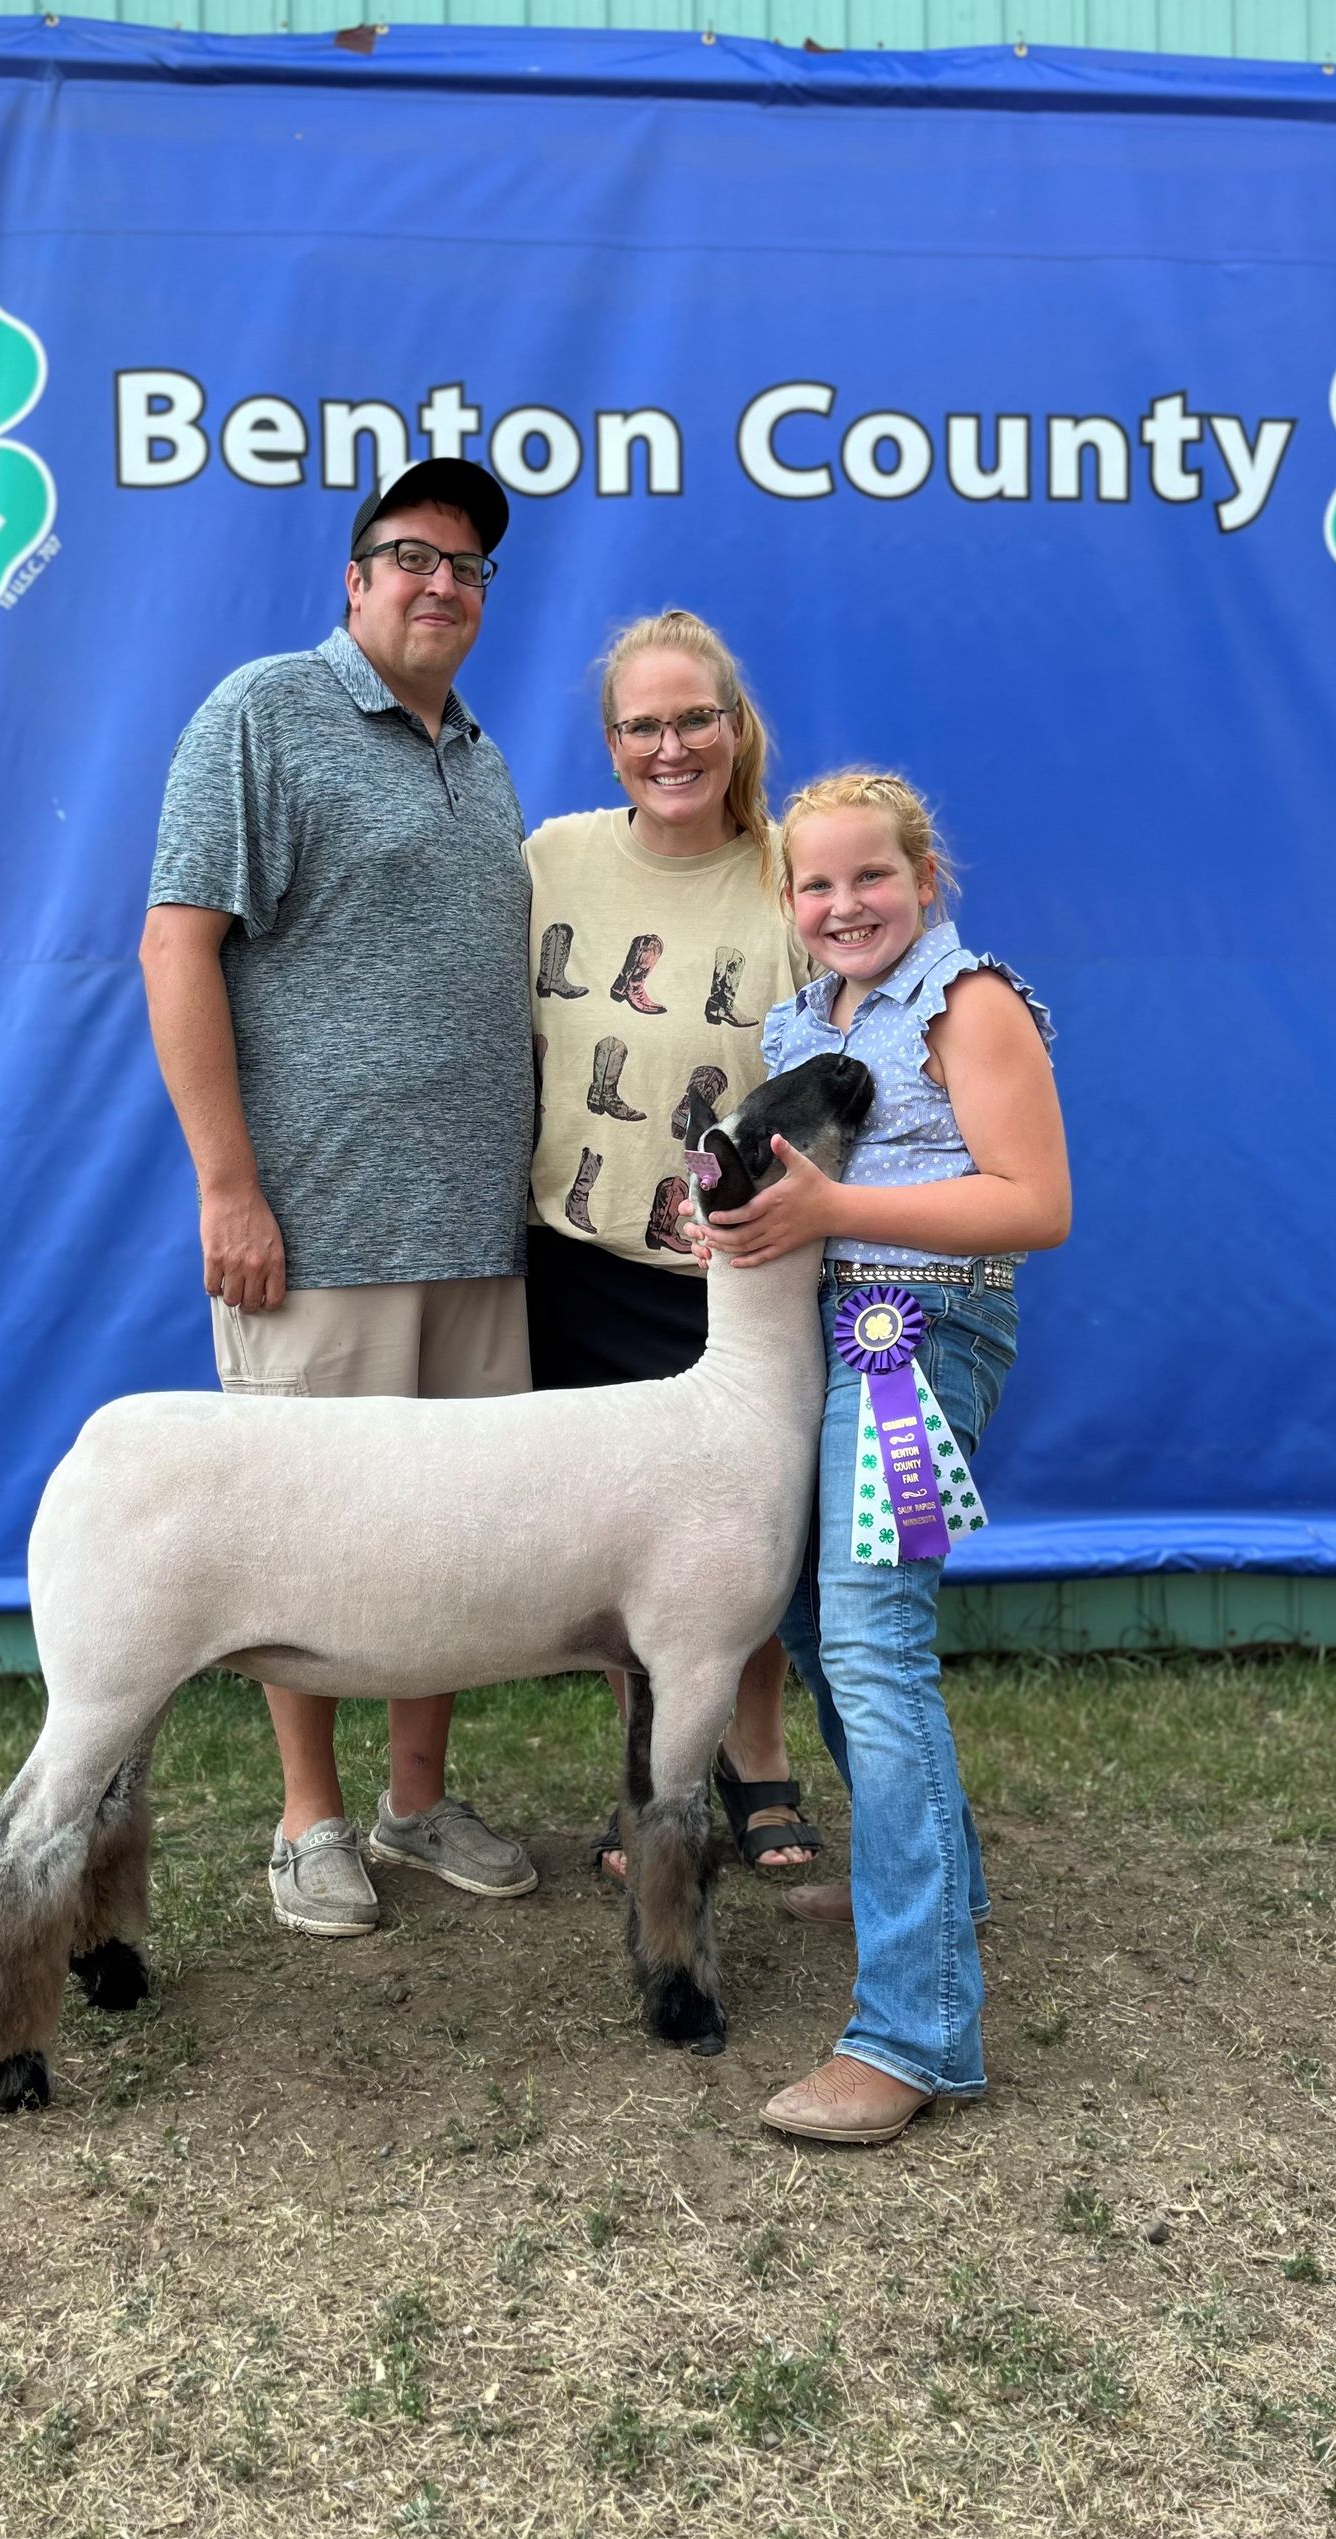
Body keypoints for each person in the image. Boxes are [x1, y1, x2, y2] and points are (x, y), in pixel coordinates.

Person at [140, 458, 539, 1937]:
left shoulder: (481, 753)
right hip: (315, 1231)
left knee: (451, 1538)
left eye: (472, 568)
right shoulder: (265, 712)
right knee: (303, 1535)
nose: (444, 584)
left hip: (479, 1234)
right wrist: (230, 1188)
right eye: (412, 557)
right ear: (353, 579)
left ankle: (416, 1803)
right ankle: (308, 1822)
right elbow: (179, 947)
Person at [701, 769, 1069, 2143]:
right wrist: (733, 1226)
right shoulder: (804, 1019)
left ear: (928, 877)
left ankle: (913, 2031)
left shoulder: (970, 1006)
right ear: (789, 901)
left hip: (918, 1337)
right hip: (822, 1340)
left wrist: (833, 1206)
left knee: (870, 1642)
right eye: (817, 884)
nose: (845, 903)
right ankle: (941, 1880)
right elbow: (787, 1208)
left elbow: (1037, 1203)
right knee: (807, 1618)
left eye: (873, 877)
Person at [524, 607, 820, 1878]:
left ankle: (755, 1762)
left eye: (695, 717)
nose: (671, 744)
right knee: (618, 1544)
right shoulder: (550, 858)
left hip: (736, 1277)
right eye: (641, 725)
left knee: (737, 1547)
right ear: (610, 744)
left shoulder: (793, 874)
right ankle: (654, 1782)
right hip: (581, 1254)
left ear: (736, 724)